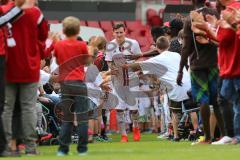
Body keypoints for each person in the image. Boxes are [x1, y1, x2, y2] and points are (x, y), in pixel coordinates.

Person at [122, 36, 191, 141]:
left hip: (175, 86)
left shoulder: (156, 59)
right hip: (188, 83)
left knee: (174, 112)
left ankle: (176, 136)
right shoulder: (176, 54)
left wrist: (123, 65)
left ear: (157, 47)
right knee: (192, 110)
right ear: (168, 45)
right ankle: (195, 132)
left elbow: (136, 66)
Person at [2, 0, 48, 155]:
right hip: (30, 65)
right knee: (28, 107)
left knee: (7, 108)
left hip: (8, 65)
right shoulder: (35, 12)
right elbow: (43, 34)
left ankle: (9, 145)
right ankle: (30, 147)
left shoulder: (3, 10)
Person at [176, 0, 225, 144]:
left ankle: (208, 138)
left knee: (203, 99)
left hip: (198, 65)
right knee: (216, 100)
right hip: (215, 63)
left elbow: (186, 47)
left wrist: (180, 69)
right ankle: (223, 136)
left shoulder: (191, 18)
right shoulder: (215, 14)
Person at [54, 16, 90, 156]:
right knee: (82, 118)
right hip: (79, 83)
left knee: (67, 119)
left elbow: (57, 60)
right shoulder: (81, 45)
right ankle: (82, 149)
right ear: (78, 29)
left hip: (65, 83)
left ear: (63, 29)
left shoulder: (59, 45)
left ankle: (63, 149)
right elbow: (86, 61)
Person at [105, 23, 142, 142]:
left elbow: (138, 57)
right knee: (120, 108)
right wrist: (113, 69)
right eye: (117, 33)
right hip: (118, 80)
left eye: (121, 32)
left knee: (134, 108)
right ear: (113, 33)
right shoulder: (110, 45)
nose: (119, 35)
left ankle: (136, 129)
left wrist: (132, 66)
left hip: (132, 79)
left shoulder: (133, 43)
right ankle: (124, 135)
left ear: (125, 32)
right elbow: (109, 62)